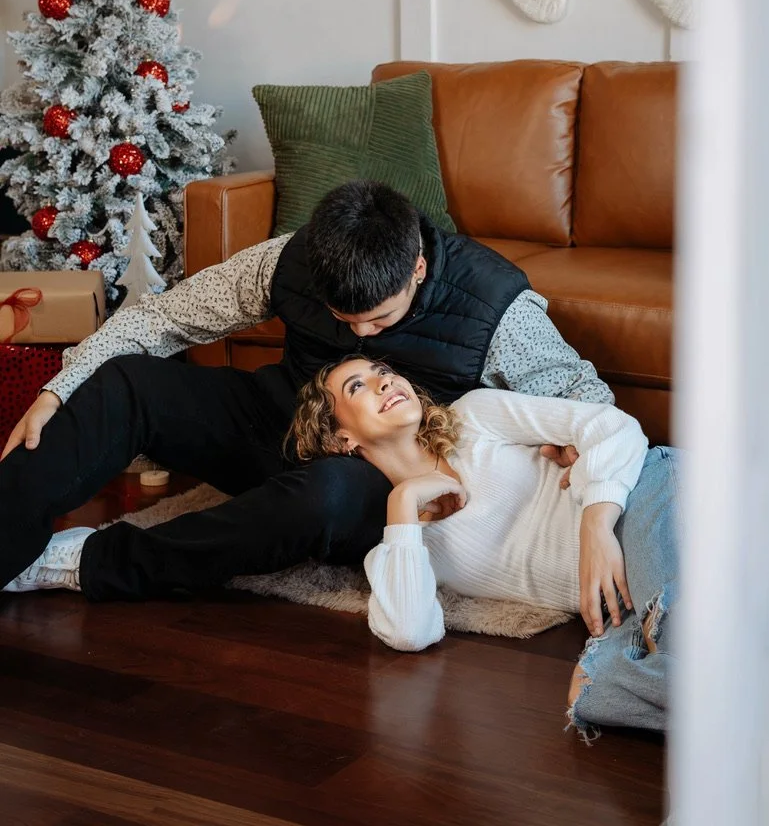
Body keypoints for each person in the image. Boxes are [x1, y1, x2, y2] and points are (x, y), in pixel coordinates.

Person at [0, 180, 613, 600]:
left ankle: (84, 564)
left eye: (377, 320)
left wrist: (573, 466)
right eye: (344, 320)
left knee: (320, 497)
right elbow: (164, 318)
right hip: (284, 421)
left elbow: (587, 402)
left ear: (418, 268)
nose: (361, 334)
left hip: (371, 476)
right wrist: (61, 387)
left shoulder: (495, 304)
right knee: (126, 380)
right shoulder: (290, 259)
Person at [291, 356, 680, 736]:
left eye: (384, 372)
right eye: (357, 386)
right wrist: (404, 500)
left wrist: (596, 525)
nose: (384, 382)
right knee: (594, 697)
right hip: (625, 600)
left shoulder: (472, 416)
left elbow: (609, 424)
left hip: (651, 493)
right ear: (341, 438)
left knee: (673, 633)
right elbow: (410, 632)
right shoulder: (404, 541)